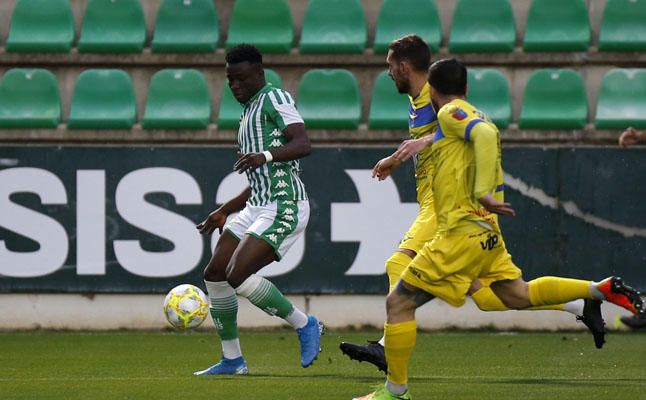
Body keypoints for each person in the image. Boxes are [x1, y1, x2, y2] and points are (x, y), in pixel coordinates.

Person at [352, 58, 644, 400]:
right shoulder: (467, 116)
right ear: (467, 87)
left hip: (459, 234)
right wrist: (415, 150)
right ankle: (600, 289)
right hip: (485, 234)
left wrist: (485, 194)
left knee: (398, 303)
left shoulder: (451, 112)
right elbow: (472, 135)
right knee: (515, 294)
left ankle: (395, 393)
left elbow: (486, 136)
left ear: (431, 90)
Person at [193, 44, 322, 376]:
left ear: (259, 75)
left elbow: (303, 144)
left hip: (284, 205)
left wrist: (264, 156)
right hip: (257, 205)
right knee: (215, 274)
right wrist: (224, 210)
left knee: (237, 275)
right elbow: (257, 179)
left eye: (241, 79)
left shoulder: (274, 98)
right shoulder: (247, 113)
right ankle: (233, 360)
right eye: (230, 80)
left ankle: (305, 324)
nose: (235, 86)